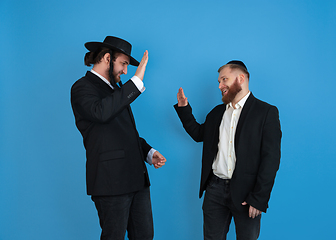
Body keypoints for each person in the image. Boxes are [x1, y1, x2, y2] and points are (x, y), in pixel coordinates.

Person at [71, 36, 166, 240]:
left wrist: (148, 152)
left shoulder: (117, 91)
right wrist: (136, 81)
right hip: (111, 182)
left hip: (137, 179)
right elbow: (101, 113)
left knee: (145, 236)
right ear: (107, 58)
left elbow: (124, 132)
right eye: (123, 64)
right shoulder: (82, 87)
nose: (125, 70)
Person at [174, 60, 281, 240]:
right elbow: (198, 134)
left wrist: (259, 197)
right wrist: (184, 109)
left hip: (247, 194)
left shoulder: (266, 112)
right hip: (214, 190)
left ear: (241, 78)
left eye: (224, 79)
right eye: (218, 81)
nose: (220, 86)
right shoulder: (217, 112)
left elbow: (271, 158)